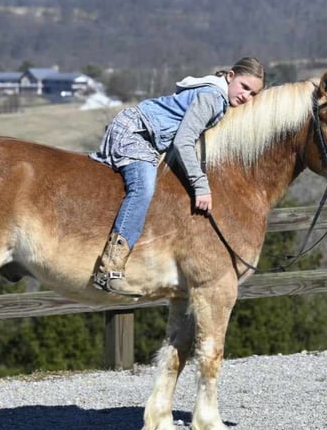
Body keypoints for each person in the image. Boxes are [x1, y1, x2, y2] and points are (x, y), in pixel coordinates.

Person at [90, 56, 266, 297]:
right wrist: (200, 185)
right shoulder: (213, 98)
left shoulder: (216, 96)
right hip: (136, 133)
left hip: (144, 135)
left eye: (253, 94)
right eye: (245, 87)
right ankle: (110, 267)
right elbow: (183, 141)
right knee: (144, 188)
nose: (247, 96)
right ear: (230, 76)